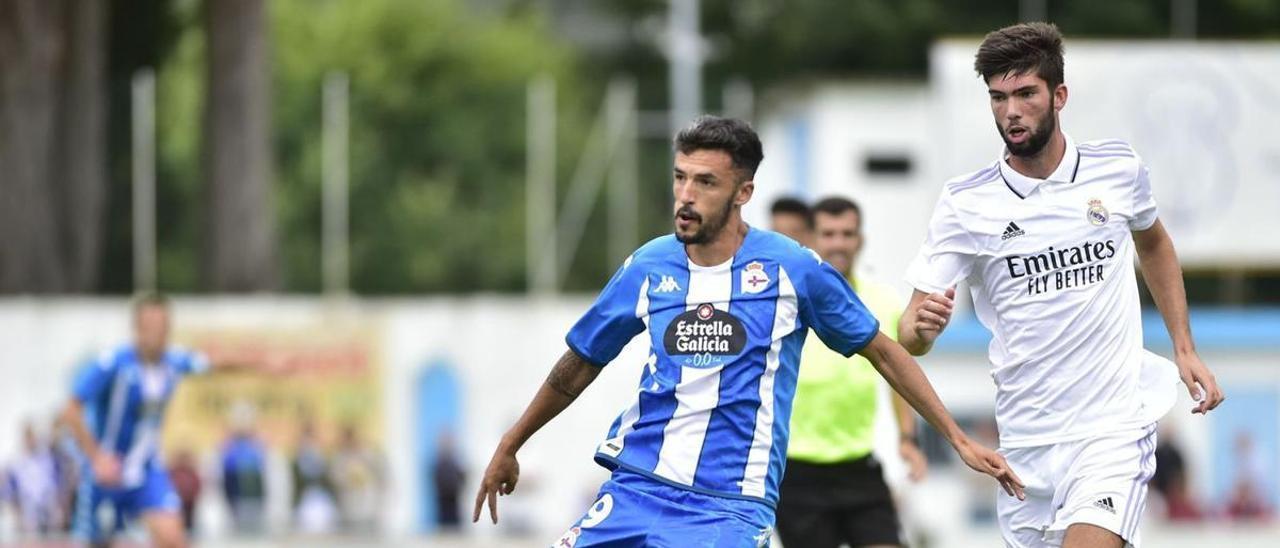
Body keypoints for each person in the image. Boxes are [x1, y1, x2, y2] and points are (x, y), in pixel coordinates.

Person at [472, 116, 1023, 547]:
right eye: (680, 177)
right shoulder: (647, 266)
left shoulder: (794, 269)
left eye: (706, 182)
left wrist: (956, 437)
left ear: (743, 193)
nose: (686, 195)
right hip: (638, 485)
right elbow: (578, 363)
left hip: (730, 505)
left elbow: (882, 351)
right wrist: (511, 442)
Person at [898, 22, 1225, 548]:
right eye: (998, 97)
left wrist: (1183, 347)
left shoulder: (1116, 169)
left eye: (1026, 93)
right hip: (1025, 445)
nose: (1011, 111)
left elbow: (1155, 243)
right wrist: (923, 329)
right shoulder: (965, 203)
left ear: (1059, 95)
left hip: (1112, 430)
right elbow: (908, 332)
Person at [60, 293, 265, 548]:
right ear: (137, 329)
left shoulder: (174, 362)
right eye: (150, 327)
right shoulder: (113, 364)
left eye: (163, 327)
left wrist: (264, 364)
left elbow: (217, 363)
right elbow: (70, 410)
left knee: (173, 538)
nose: (157, 334)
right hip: (106, 475)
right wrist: (97, 457)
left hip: (146, 472)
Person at [778, 196, 926, 548]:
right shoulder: (786, 300)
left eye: (847, 233)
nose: (839, 243)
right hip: (797, 472)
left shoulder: (882, 300)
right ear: (812, 238)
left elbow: (898, 373)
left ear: (860, 240)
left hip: (859, 467)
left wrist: (907, 439)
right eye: (829, 234)